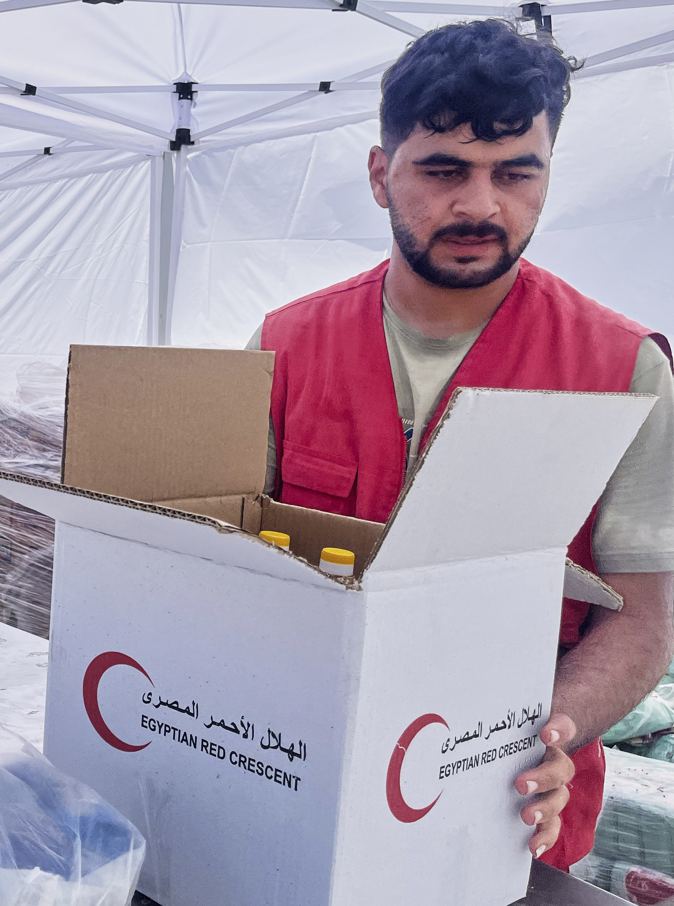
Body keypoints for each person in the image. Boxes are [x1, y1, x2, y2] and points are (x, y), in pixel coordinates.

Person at [248, 20, 674, 869]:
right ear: (381, 173)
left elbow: (644, 617)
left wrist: (552, 726)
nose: (481, 206)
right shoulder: (284, 345)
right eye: (444, 170)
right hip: (296, 764)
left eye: (517, 174)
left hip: (510, 807)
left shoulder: (624, 368)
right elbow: (229, 560)